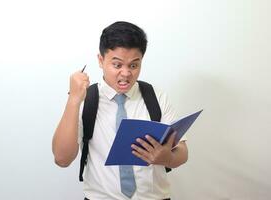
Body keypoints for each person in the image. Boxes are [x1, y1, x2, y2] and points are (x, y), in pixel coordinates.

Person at [52, 21, 188, 200]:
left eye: (133, 65)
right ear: (101, 60)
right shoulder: (85, 99)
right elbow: (62, 159)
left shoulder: (156, 97)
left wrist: (167, 158)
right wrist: (73, 100)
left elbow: (183, 152)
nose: (125, 74)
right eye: (117, 65)